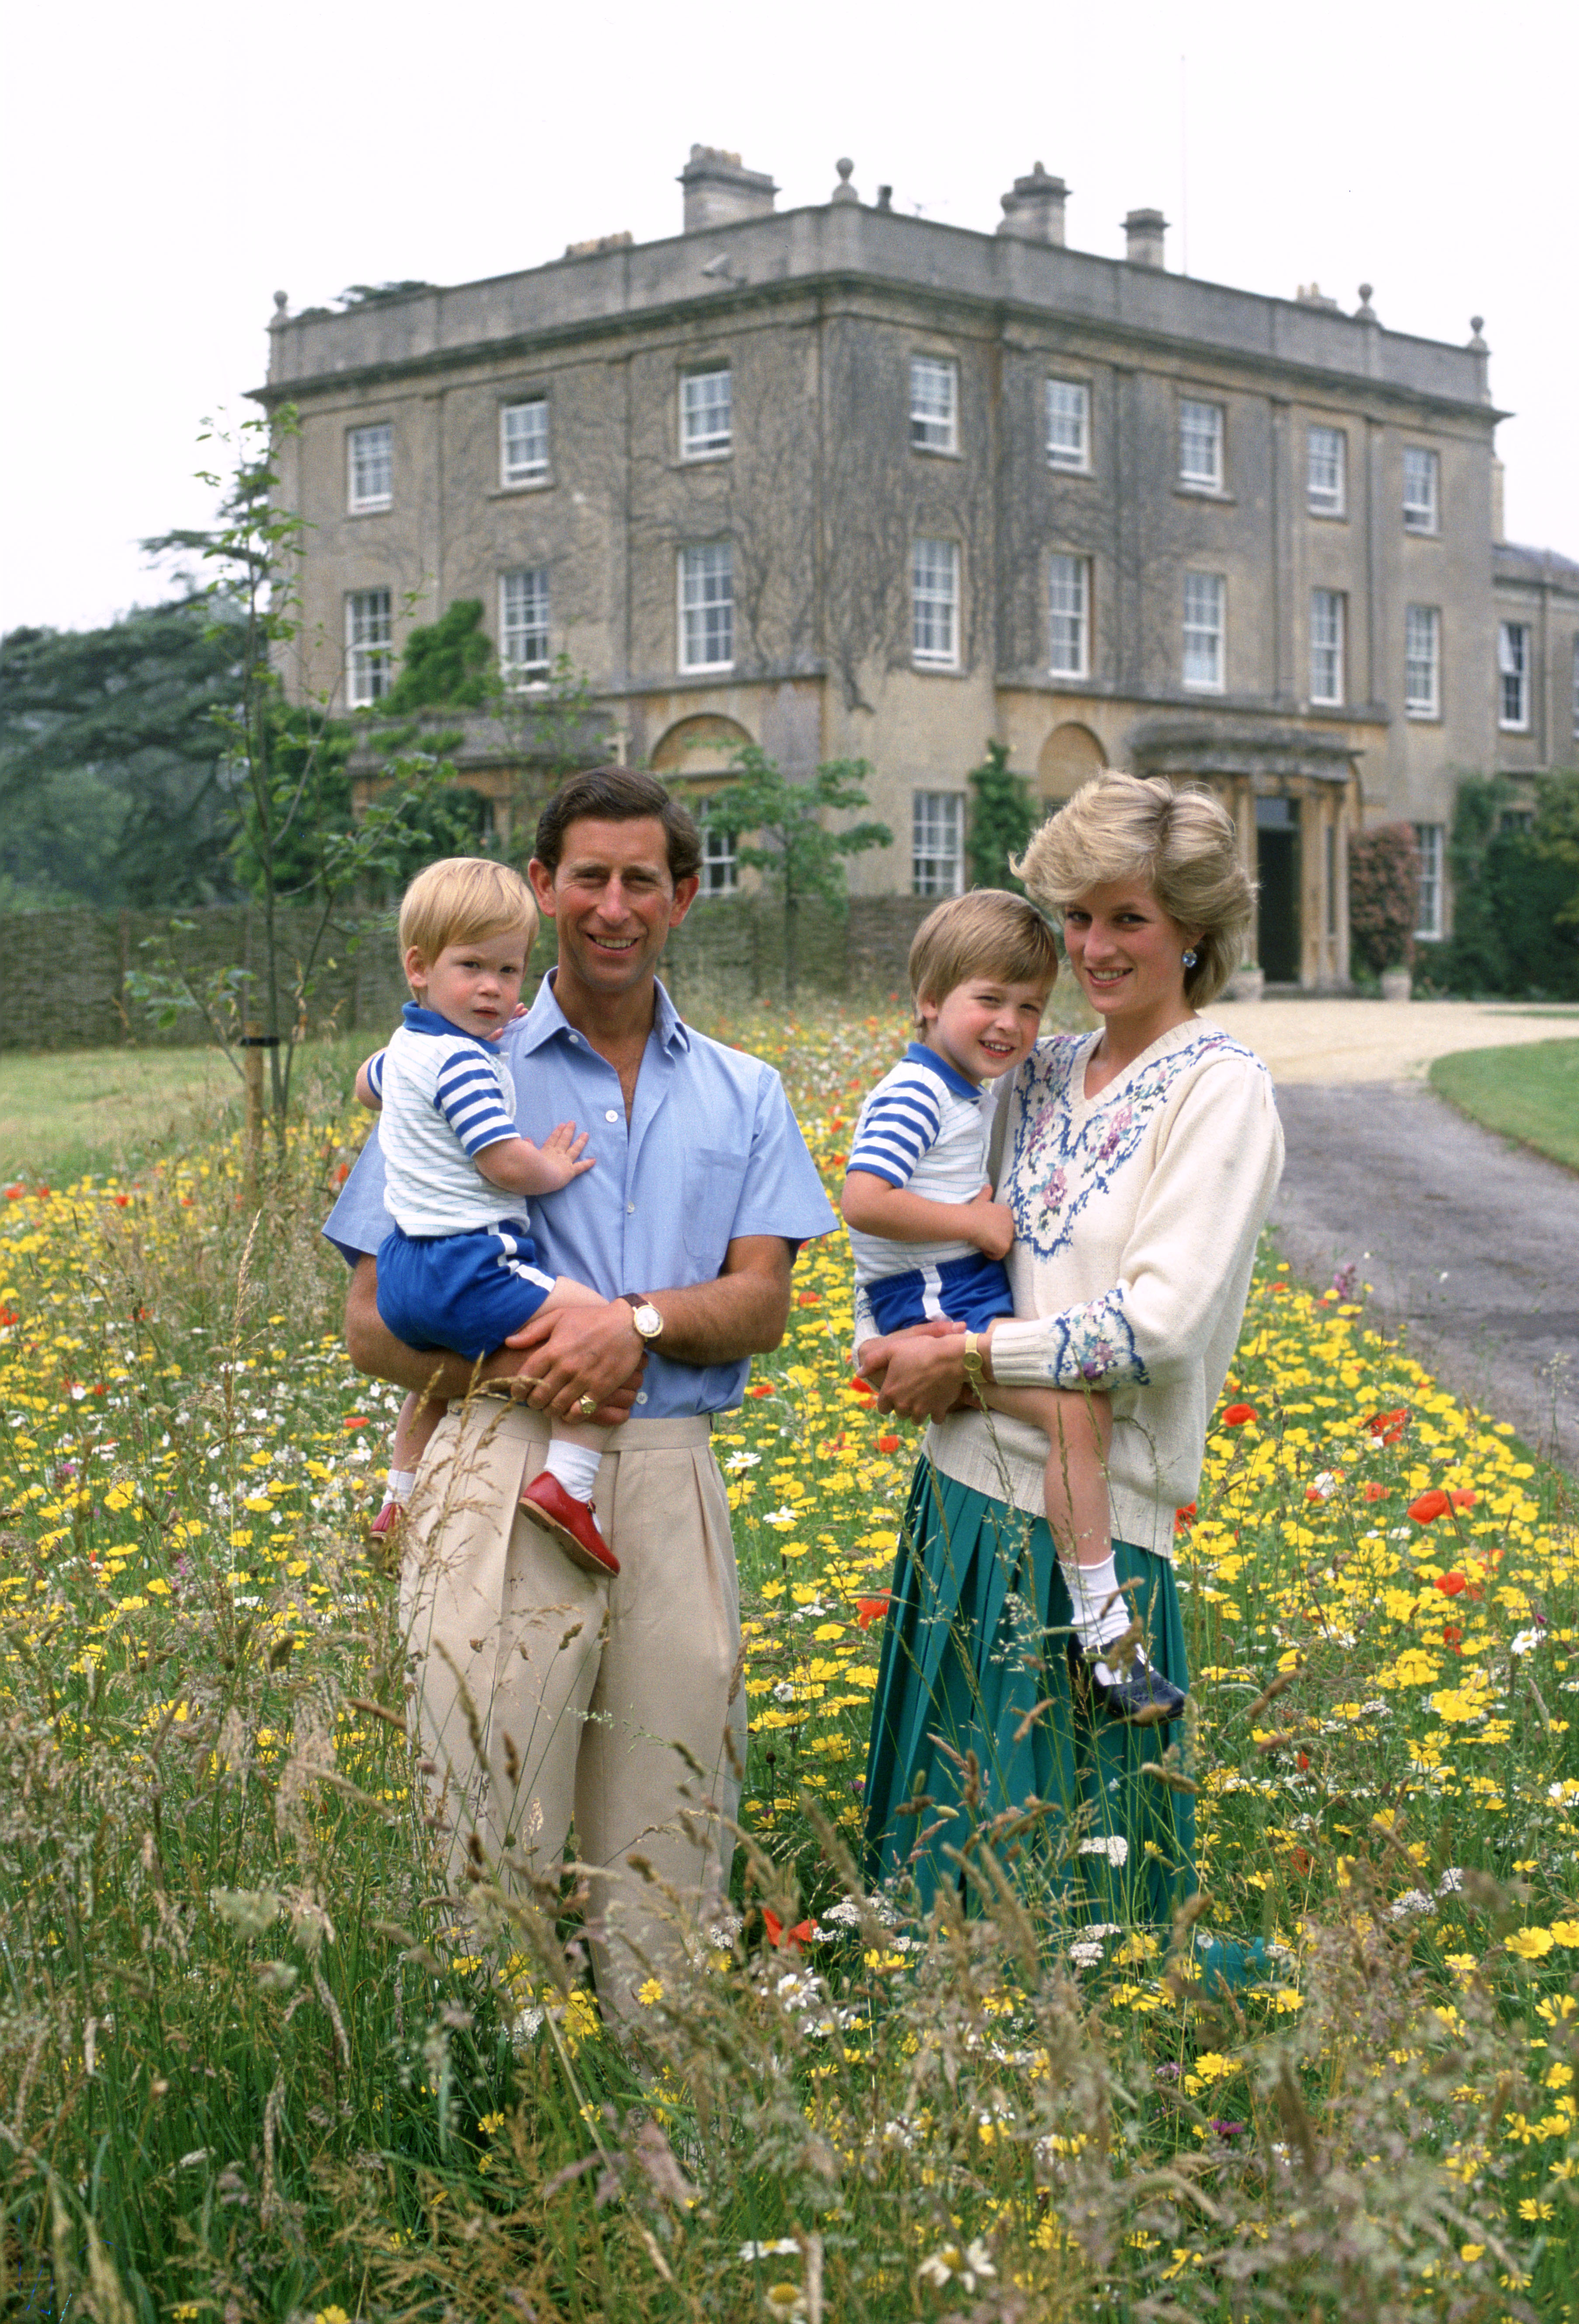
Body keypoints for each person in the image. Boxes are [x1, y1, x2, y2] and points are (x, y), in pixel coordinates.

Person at [323, 769, 836, 2014]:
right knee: (484, 1829)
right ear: (544, 887)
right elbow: (369, 1320)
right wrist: (533, 1363)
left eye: (642, 880)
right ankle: (503, 2142)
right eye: (588, 878)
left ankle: (675, 2153)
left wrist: (635, 1323)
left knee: (673, 1836)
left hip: (666, 1479)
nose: (614, 906)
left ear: (685, 896)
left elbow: (760, 1301)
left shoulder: (744, 1090)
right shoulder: (453, 1060)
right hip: (500, 1460)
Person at [858, 771, 1283, 1933]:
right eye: (1078, 917)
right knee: (944, 1869)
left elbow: (1153, 1329)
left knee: (1079, 1897)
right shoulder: (1034, 1068)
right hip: (960, 1497)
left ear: (1192, 933)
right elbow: (912, 1193)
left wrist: (965, 1358)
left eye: (1127, 918)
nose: (1093, 947)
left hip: (1097, 1532)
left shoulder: (1218, 1090)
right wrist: (888, 1335)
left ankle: (1093, 2085)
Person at [842, 890, 1164, 1712]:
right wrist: (977, 1223)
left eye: (1029, 1005)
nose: (1012, 1025)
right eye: (989, 1000)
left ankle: (1101, 1632)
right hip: (934, 1300)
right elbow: (864, 1199)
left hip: (955, 1292)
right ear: (928, 1000)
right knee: (1073, 1415)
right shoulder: (916, 1092)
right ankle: (1106, 1639)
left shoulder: (965, 1088)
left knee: (1080, 1410)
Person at [355, 855, 621, 1578]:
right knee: (603, 1329)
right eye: (472, 967)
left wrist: (483, 1026)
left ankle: (399, 1497)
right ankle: (568, 1487)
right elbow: (500, 1161)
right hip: (472, 1261)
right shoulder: (465, 1066)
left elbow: (365, 1084)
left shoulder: (408, 1048)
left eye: (509, 972)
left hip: (406, 1273)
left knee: (431, 1387)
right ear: (419, 967)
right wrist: (554, 1167)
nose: (493, 989)